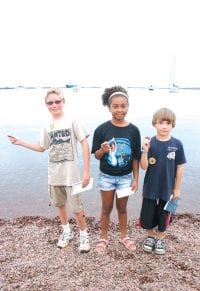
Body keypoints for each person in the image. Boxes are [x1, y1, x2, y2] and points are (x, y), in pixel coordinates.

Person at [8, 88, 91, 253]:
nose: (54, 105)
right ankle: (66, 232)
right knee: (59, 204)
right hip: (54, 174)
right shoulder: (47, 125)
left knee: (76, 207)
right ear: (46, 105)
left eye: (57, 101)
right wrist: (21, 142)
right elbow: (41, 147)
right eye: (50, 103)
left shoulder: (72, 120)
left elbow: (84, 143)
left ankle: (84, 235)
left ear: (63, 102)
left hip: (71, 174)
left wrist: (86, 171)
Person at [91, 86, 141, 253]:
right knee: (106, 208)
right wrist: (103, 150)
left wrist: (136, 178)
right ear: (109, 107)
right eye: (116, 106)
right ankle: (103, 238)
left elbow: (135, 156)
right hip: (106, 176)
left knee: (122, 208)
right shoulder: (101, 129)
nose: (120, 110)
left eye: (123, 106)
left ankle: (123, 236)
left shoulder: (134, 130)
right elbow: (96, 156)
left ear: (128, 106)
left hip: (125, 177)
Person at [140, 107, 186, 255]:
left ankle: (160, 238)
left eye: (168, 123)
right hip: (150, 187)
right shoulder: (150, 143)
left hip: (168, 188)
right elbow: (143, 166)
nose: (164, 126)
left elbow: (179, 168)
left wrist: (177, 189)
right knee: (148, 214)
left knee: (165, 214)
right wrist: (145, 150)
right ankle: (150, 236)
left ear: (173, 125)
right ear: (154, 124)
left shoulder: (177, 144)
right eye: (161, 123)